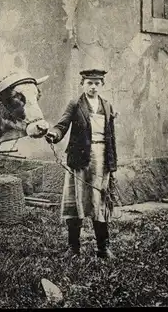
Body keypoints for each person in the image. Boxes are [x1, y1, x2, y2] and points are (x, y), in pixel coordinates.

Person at [45, 68, 118, 259]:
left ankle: (103, 248)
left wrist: (112, 162)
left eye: (97, 83)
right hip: (80, 159)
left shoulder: (107, 106)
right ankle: (73, 248)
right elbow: (62, 125)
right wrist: (54, 134)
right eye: (89, 83)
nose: (93, 87)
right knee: (75, 202)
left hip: (101, 158)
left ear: (102, 85)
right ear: (83, 84)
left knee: (100, 202)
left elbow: (112, 137)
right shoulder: (75, 104)